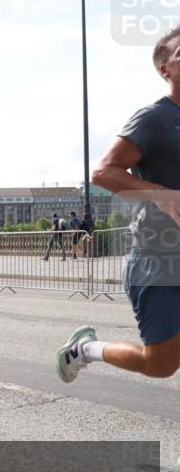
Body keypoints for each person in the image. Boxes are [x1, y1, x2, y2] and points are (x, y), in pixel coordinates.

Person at [57, 25, 180, 382]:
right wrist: (161, 194)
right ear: (165, 70)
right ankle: (84, 350)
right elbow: (104, 172)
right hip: (159, 259)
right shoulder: (155, 118)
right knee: (160, 365)